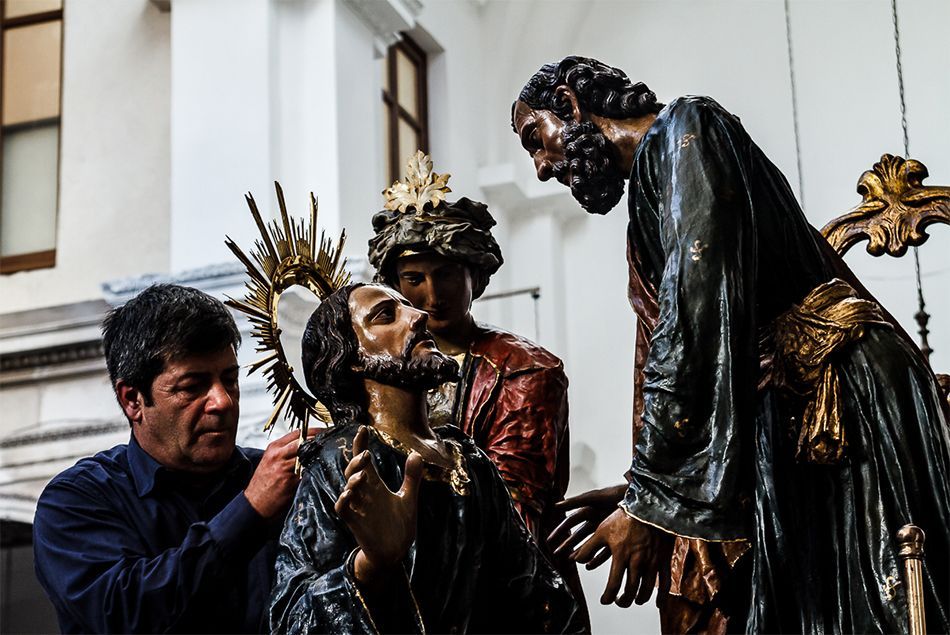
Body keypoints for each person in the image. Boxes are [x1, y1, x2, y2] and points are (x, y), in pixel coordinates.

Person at [512, 56, 950, 633]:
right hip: (791, 412)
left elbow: (698, 315)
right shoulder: (650, 193)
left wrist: (652, 499)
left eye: (534, 139)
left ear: (569, 104)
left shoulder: (688, 127)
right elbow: (685, 346)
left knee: (879, 600)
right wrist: (640, 488)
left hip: (843, 394)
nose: (542, 168)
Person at [268, 283, 582, 634]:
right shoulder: (341, 462)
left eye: (408, 307)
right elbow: (291, 618)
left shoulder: (467, 458)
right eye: (386, 316)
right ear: (351, 358)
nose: (419, 316)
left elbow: (535, 592)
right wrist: (369, 566)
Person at [367, 153, 589, 624]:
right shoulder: (380, 371)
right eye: (413, 279)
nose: (432, 296)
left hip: (507, 591)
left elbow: (512, 507)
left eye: (447, 274)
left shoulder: (524, 370)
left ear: (475, 275)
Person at [33, 284, 312, 633]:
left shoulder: (286, 480)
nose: (222, 401)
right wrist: (251, 510)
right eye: (192, 387)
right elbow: (125, 614)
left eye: (229, 379)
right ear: (133, 400)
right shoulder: (77, 500)